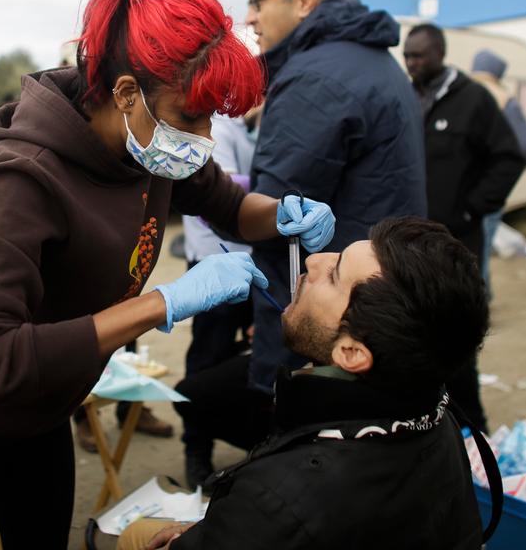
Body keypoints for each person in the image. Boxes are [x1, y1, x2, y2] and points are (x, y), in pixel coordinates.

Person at [0, 0, 336, 549]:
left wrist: (280, 214)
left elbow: (229, 205)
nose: (203, 140)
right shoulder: (23, 183)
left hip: (44, 411)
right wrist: (163, 303)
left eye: (210, 120)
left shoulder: (149, 144)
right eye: (190, 117)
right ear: (126, 93)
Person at [119, 217, 489, 550]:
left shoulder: (276, 499)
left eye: (334, 275)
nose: (315, 260)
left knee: (134, 536)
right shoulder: (435, 414)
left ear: (352, 353)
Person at [240, 0, 427, 419]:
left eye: (258, 0)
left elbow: (271, 210)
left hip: (326, 312)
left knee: (308, 446)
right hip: (379, 297)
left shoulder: (315, 78)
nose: (250, 17)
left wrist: (219, 202)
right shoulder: (373, 60)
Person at [403, 23, 524, 433]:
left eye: (418, 55)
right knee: (414, 341)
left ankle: (475, 436)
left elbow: (510, 157)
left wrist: (472, 209)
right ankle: (430, 434)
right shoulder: (407, 97)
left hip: (455, 242)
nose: (411, 62)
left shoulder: (472, 99)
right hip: (411, 245)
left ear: (440, 53)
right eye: (407, 55)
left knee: (456, 345)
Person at [176, 112, 258, 488]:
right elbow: (221, 191)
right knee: (209, 356)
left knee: (251, 358)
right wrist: (275, 188)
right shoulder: (219, 127)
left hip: (257, 260)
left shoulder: (254, 128)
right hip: (214, 264)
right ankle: (197, 451)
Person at [469, 48, 526, 287]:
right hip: (487, 192)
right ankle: (479, 307)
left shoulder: (463, 95)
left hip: (458, 195)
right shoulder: (505, 101)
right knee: (480, 256)